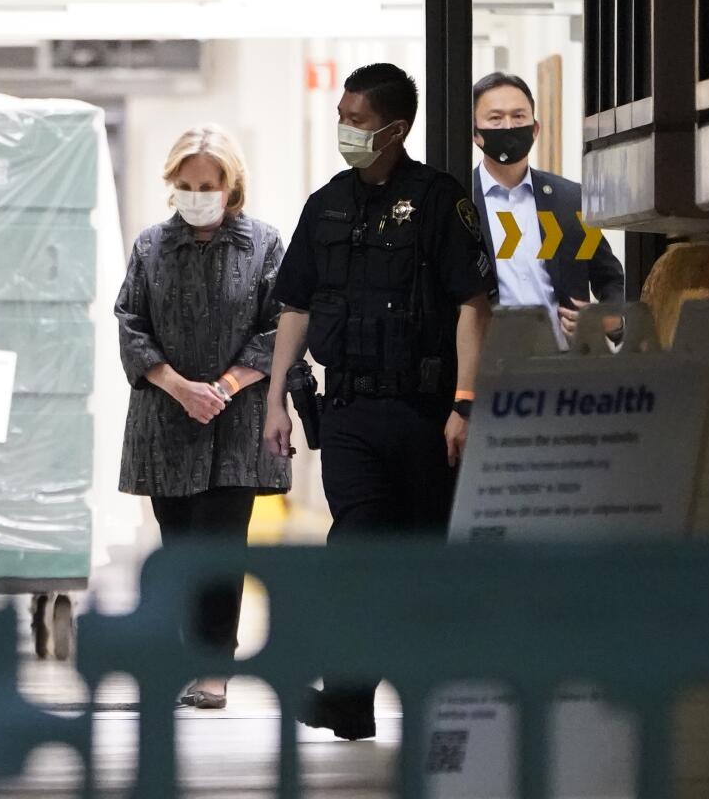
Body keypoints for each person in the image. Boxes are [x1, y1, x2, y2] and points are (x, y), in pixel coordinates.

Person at [262, 63, 496, 739]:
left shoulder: (438, 200)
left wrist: (465, 403)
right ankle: (349, 696)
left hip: (426, 415)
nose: (345, 130)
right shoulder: (327, 204)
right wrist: (276, 397)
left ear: (394, 129)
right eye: (342, 117)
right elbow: (296, 306)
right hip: (351, 415)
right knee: (356, 550)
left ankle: (434, 705)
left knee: (421, 563)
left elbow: (473, 306)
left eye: (356, 121)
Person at [116, 124, 289, 710]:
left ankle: (214, 666)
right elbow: (130, 322)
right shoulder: (150, 247)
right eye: (185, 185)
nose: (195, 194)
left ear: (230, 185)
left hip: (236, 423)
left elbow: (280, 325)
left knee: (221, 545)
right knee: (181, 545)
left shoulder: (264, 245)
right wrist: (177, 385)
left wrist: (224, 385)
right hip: (166, 419)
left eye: (207, 184)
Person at [471, 71, 625, 349]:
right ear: (475, 134)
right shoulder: (458, 203)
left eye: (518, 117)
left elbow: (608, 277)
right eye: (495, 118)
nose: (508, 127)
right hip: (486, 369)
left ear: (535, 129)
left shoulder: (571, 200)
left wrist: (608, 319)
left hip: (563, 372)